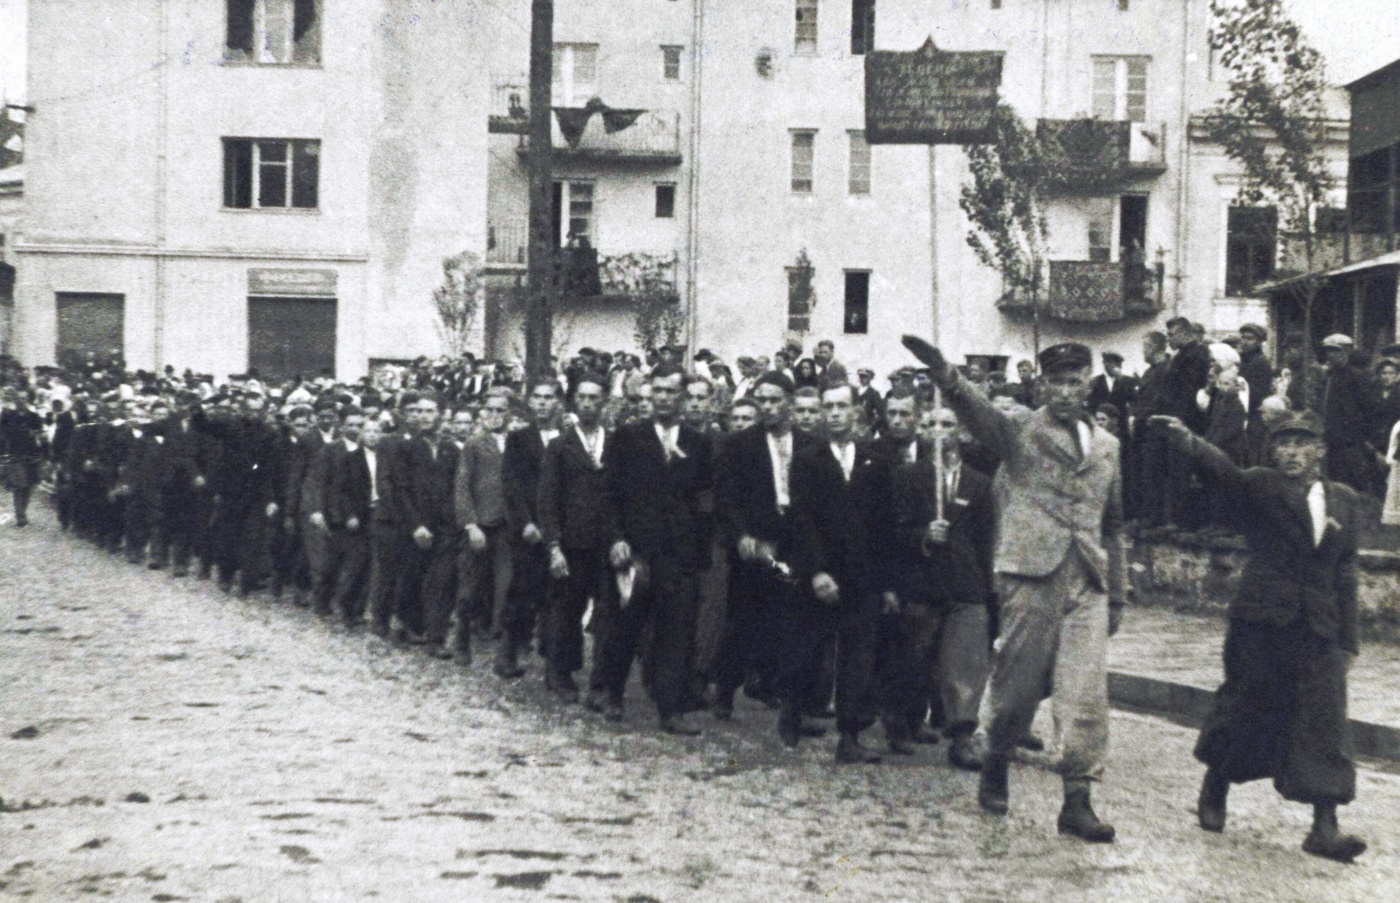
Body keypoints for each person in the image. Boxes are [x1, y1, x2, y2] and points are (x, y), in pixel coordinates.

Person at [901, 335, 1127, 844]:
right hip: (1030, 576)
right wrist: (943, 371)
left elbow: (1114, 525)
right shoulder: (1020, 430)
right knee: (1017, 688)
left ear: (1088, 383)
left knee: (1086, 691)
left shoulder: (1110, 447)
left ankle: (1078, 797)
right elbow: (977, 411)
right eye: (1056, 382)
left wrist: (1118, 593)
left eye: (1075, 381)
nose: (1066, 391)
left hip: (1086, 579)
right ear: (1042, 384)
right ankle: (996, 758)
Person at [1153, 410, 1367, 864]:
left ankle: (1324, 827)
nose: (1289, 452)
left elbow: (1346, 570)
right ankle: (1216, 784)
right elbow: (1225, 474)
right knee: (1245, 706)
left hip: (1320, 627)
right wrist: (1189, 441)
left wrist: (1350, 639)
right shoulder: (1262, 485)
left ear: (1320, 450)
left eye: (1300, 444)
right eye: (1282, 444)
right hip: (1262, 622)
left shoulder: (1344, 500)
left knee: (1325, 719)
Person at [592, 363, 714, 734]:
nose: (663, 398)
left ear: (682, 397)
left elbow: (706, 500)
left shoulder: (698, 443)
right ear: (650, 394)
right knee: (624, 626)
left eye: (671, 392)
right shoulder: (628, 438)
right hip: (635, 552)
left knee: (676, 631)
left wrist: (698, 550)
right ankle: (612, 692)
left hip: (679, 556)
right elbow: (608, 495)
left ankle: (670, 708)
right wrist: (616, 539)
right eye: (657, 391)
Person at [888, 404, 995, 770]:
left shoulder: (980, 483)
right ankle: (901, 722)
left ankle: (962, 736)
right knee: (913, 660)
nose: (938, 431)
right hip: (920, 582)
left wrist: (989, 588)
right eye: (930, 424)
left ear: (961, 432)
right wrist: (922, 535)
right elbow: (892, 531)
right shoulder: (908, 477)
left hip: (966, 585)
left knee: (965, 664)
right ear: (921, 431)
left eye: (946, 423)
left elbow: (987, 540)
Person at [538, 373, 613, 703]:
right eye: (581, 397)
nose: (587, 404)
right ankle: (560, 671)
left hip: (608, 543)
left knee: (608, 612)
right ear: (573, 402)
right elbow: (547, 499)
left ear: (604, 403)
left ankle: (602, 681)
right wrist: (553, 545)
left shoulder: (616, 443)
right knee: (567, 608)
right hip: (571, 542)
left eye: (594, 398)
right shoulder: (559, 446)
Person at [1319, 334, 1373, 494]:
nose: (1330, 354)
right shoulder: (1328, 376)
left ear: (1347, 351)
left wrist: (1360, 436)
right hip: (1331, 440)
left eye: (1335, 350)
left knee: (1354, 483)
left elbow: (1367, 408)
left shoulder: (1357, 376)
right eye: (1328, 351)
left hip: (1351, 442)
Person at [1, 388, 46, 527]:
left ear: (28, 400)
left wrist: (36, 437)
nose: (21, 401)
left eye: (24, 398)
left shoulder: (34, 416)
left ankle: (22, 512)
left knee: (28, 486)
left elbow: (41, 436)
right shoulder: (9, 416)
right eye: (19, 398)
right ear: (15, 400)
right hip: (14, 455)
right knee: (18, 486)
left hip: (31, 455)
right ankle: (21, 517)